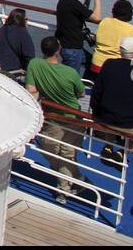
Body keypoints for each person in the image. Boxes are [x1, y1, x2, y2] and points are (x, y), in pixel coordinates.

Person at [25, 36, 87, 205]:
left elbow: (30, 89)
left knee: (52, 148)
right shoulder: (70, 73)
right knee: (65, 155)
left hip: (55, 117)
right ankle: (76, 177)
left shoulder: (34, 64)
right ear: (58, 52)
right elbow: (81, 93)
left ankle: (63, 190)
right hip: (73, 118)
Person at [90, 37, 133, 166]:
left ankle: (108, 146)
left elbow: (97, 92)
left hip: (105, 118)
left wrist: (96, 112)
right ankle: (124, 151)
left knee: (113, 108)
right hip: (129, 123)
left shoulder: (109, 64)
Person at [54, 0, 103, 77]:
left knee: (92, 63)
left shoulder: (64, 0)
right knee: (71, 78)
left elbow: (83, 11)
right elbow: (97, 18)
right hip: (73, 49)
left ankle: (86, 85)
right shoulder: (74, 4)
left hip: (67, 46)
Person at [91, 0, 133, 76]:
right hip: (114, 67)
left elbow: (96, 37)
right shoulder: (130, 29)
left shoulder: (105, 21)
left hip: (96, 63)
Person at [0, 8, 36, 76]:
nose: (27, 20)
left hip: (1, 68)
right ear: (21, 20)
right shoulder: (22, 32)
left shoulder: (3, 28)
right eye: (26, 19)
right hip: (15, 71)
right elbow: (30, 55)